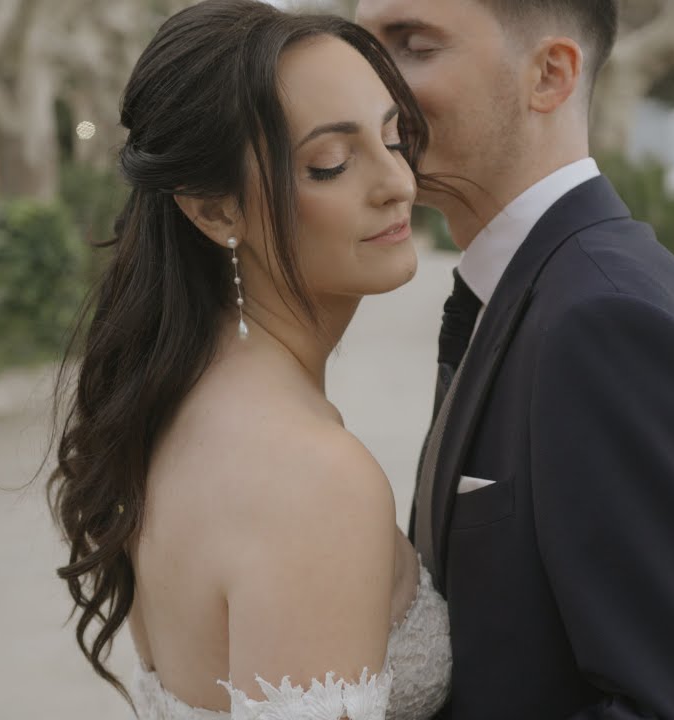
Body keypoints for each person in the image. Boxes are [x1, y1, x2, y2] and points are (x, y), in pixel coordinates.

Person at [356, 1, 674, 718]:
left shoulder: (608, 319)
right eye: (364, 47)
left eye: (412, 46)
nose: (370, 84)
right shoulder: (536, 286)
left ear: (549, 75)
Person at [48, 2, 452, 718]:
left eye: (394, 140)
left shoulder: (172, 409)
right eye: (330, 164)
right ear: (214, 210)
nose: (398, 184)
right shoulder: (311, 475)